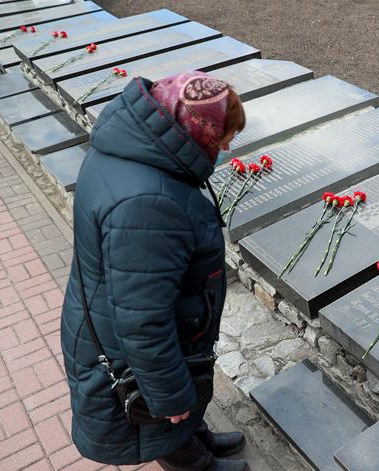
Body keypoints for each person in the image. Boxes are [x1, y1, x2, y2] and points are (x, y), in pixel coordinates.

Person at [60, 71, 249, 471]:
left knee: (181, 407)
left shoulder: (134, 148)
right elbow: (144, 322)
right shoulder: (148, 205)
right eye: (221, 136)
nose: (228, 145)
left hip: (108, 313)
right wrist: (170, 397)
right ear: (196, 128)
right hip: (126, 342)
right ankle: (197, 464)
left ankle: (197, 436)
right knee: (165, 418)